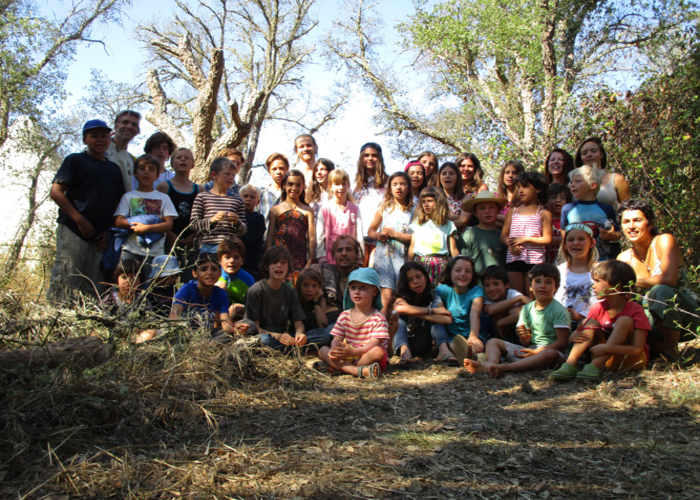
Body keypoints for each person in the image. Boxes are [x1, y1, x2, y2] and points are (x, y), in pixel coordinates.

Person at [47, 119, 126, 303]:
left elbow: (117, 203)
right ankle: (56, 321)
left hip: (99, 236)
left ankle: (87, 324)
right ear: (85, 139)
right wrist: (79, 219)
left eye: (104, 136)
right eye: (94, 136)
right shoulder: (75, 160)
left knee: (92, 282)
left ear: (110, 139)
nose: (100, 140)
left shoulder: (113, 169)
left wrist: (108, 231)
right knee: (67, 276)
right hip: (74, 230)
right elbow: (56, 191)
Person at [617, 199, 700, 362]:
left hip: (687, 315)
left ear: (650, 223)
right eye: (626, 221)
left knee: (660, 291)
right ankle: (654, 348)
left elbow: (669, 279)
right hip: (651, 320)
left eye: (637, 220)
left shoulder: (664, 241)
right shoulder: (624, 258)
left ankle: (671, 351)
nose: (631, 226)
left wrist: (632, 281)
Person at [551, 260, 651, 382]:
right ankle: (571, 363)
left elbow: (637, 350)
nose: (593, 286)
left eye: (598, 281)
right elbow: (584, 334)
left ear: (617, 286)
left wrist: (608, 348)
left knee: (624, 321)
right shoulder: (598, 307)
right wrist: (573, 337)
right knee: (590, 322)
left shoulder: (635, 310)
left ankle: (595, 366)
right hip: (604, 358)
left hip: (629, 359)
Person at [464, 263, 570, 378]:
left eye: (548, 282)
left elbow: (562, 342)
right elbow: (525, 343)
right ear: (530, 286)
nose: (542, 286)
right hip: (531, 349)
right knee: (493, 341)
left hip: (551, 352)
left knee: (550, 354)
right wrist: (524, 337)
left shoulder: (559, 310)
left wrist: (537, 352)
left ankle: (505, 367)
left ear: (556, 287)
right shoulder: (527, 309)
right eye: (538, 281)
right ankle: (491, 363)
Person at [245, 247, 329, 351]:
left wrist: (300, 334)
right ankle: (294, 351)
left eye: (283, 263)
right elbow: (254, 328)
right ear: (267, 267)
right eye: (274, 262)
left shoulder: (290, 291)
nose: (279, 265)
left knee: (323, 335)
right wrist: (277, 336)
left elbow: (299, 323)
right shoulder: (255, 291)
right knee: (264, 340)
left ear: (288, 267)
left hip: (285, 336)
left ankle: (290, 349)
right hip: (266, 335)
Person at [315, 268, 390, 378]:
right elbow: (337, 338)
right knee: (322, 350)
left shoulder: (378, 318)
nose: (357, 292)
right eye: (353, 287)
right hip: (349, 356)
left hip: (366, 356)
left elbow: (374, 343)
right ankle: (358, 371)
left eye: (363, 287)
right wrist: (335, 350)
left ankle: (340, 368)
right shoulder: (344, 316)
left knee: (377, 352)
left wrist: (354, 352)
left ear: (374, 291)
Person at [113, 154, 178, 269]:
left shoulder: (163, 198)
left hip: (154, 253)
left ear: (157, 175)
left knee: (150, 285)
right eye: (142, 169)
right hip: (131, 250)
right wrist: (136, 225)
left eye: (151, 170)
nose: (146, 172)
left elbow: (169, 224)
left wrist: (146, 228)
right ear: (135, 173)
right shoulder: (128, 196)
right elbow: (118, 221)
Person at [368, 171, 415, 316]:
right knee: (386, 296)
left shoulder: (414, 209)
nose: (399, 187)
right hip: (384, 256)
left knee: (400, 296)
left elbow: (416, 237)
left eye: (402, 184)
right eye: (395, 184)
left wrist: (396, 235)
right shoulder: (384, 207)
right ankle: (380, 329)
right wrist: (378, 235)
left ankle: (397, 332)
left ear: (408, 187)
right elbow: (371, 230)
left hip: (404, 256)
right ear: (390, 188)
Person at [171, 253, 245, 343]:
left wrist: (235, 329)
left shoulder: (221, 294)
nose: (209, 273)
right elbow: (173, 317)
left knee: (233, 334)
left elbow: (225, 323)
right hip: (185, 334)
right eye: (203, 269)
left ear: (220, 273)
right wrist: (186, 332)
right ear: (194, 273)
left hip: (207, 335)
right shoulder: (187, 289)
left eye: (214, 269)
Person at [501, 172, 552, 295]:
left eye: (525, 186)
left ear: (538, 189)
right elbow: (503, 235)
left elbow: (547, 239)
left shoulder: (544, 213)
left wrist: (525, 239)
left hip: (535, 261)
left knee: (532, 297)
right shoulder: (512, 212)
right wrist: (510, 244)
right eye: (518, 187)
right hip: (514, 259)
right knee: (516, 297)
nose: (520, 191)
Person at [393, 262, 453, 365]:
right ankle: (405, 352)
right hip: (403, 341)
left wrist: (419, 313)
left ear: (425, 277)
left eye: (418, 277)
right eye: (410, 279)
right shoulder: (401, 297)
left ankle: (443, 349)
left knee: (435, 315)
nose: (415, 282)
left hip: (423, 343)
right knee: (398, 317)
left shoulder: (433, 296)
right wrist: (431, 311)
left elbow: (447, 319)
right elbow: (398, 309)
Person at [562, 165, 621, 261]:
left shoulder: (606, 208)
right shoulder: (567, 208)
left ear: (593, 185)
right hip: (576, 261)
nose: (572, 185)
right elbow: (563, 231)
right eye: (571, 182)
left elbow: (618, 234)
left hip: (602, 261)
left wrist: (611, 235)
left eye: (578, 181)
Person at [157, 147, 202, 271]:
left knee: (189, 277)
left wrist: (194, 235)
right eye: (179, 157)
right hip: (169, 240)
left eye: (187, 158)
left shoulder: (200, 190)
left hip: (191, 242)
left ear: (192, 165)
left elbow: (204, 218)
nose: (183, 160)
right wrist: (169, 234)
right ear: (172, 164)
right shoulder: (164, 187)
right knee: (167, 276)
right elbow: (156, 215)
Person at [191, 157, 247, 254]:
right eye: (227, 174)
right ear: (214, 175)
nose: (231, 178)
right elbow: (193, 225)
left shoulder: (237, 200)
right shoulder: (202, 197)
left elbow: (244, 230)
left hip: (230, 248)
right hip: (207, 247)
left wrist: (237, 222)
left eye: (233, 175)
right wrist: (212, 220)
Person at [436, 255, 486, 365]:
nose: (463, 274)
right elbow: (440, 312)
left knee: (477, 346)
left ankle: (469, 354)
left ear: (473, 274)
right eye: (458, 270)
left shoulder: (476, 291)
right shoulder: (442, 290)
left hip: (473, 333)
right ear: (450, 273)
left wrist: (473, 336)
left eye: (468, 271)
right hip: (451, 337)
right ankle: (466, 355)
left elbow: (475, 314)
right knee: (439, 327)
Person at [267, 169, 316, 275]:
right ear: (284, 185)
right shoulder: (275, 210)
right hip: (279, 260)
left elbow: (312, 239)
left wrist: (310, 260)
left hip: (300, 261)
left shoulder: (308, 210)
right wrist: (269, 259)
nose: (294, 188)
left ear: (303, 186)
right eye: (290, 184)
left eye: (298, 185)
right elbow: (270, 237)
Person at [408, 187, 459, 286]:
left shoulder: (448, 224)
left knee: (439, 294)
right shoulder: (418, 222)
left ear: (439, 202)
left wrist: (459, 264)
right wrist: (408, 265)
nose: (426, 204)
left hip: (441, 263)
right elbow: (412, 247)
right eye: (423, 202)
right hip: (421, 262)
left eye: (430, 201)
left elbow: (453, 248)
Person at [101, 258, 157, 343]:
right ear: (116, 279)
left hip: (136, 339)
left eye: (134, 278)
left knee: (153, 332)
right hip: (113, 338)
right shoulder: (109, 300)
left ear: (140, 281)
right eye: (124, 277)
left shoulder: (143, 302)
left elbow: (150, 326)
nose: (129, 281)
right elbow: (101, 325)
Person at [313, 235, 363, 330]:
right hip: (332, 324)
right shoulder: (323, 274)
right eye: (339, 250)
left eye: (348, 250)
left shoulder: (364, 279)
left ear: (357, 254)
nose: (344, 254)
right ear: (334, 255)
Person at [553, 223, 598, 330]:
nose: (576, 243)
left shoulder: (599, 271)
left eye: (581, 239)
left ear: (592, 243)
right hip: (559, 325)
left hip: (589, 326)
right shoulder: (559, 271)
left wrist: (581, 317)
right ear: (564, 244)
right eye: (571, 240)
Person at [316, 169, 363, 265]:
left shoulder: (354, 209)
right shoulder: (325, 209)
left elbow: (359, 236)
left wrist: (359, 258)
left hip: (350, 260)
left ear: (348, 185)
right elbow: (320, 236)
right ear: (330, 187)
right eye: (337, 184)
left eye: (344, 184)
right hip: (329, 259)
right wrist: (322, 257)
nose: (341, 187)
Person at [459, 191, 508, 276]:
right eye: (482, 208)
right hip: (476, 287)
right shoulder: (468, 236)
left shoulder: (503, 236)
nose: (487, 211)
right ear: (475, 213)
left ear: (498, 211)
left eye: (491, 207)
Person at [353, 142, 388, 260]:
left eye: (374, 155)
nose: (370, 158)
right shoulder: (353, 182)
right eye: (366, 155)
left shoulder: (388, 182)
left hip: (379, 234)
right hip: (358, 233)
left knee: (374, 271)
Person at [574, 137, 630, 209]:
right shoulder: (572, 183)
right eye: (584, 153)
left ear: (602, 154)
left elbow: (628, 209)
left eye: (594, 151)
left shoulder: (617, 179)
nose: (589, 155)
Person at [481, 265, 531, 343]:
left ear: (506, 285)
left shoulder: (511, 293)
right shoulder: (486, 298)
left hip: (512, 330)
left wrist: (501, 322)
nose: (491, 289)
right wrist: (518, 298)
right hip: (493, 333)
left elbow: (533, 305)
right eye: (487, 285)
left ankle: (518, 340)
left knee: (516, 309)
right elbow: (490, 310)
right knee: (492, 314)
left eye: (496, 284)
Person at [215, 237, 255, 318]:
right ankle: (214, 327)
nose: (232, 261)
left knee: (236, 309)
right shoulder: (215, 275)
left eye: (236, 257)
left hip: (240, 315)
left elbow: (253, 306)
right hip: (217, 312)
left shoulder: (248, 281)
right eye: (227, 257)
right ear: (220, 260)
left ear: (242, 261)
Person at [295, 267, 333, 347]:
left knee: (326, 334)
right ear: (299, 285)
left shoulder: (321, 300)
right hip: (296, 334)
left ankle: (299, 346)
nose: (309, 290)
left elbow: (322, 325)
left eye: (314, 286)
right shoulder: (294, 298)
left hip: (311, 334)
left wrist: (316, 302)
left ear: (319, 288)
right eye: (305, 285)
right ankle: (296, 344)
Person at [105, 110, 141, 193]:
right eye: (125, 122)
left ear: (137, 131)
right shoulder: (100, 148)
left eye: (134, 124)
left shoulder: (133, 161)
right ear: (116, 126)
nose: (129, 126)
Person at [238, 184, 265, 281]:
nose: (248, 199)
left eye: (252, 197)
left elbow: (251, 237)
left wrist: (235, 240)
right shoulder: (234, 217)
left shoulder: (258, 218)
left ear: (257, 202)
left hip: (251, 263)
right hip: (234, 261)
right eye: (245, 196)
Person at [145, 254, 182, 318]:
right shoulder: (149, 291)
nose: (172, 280)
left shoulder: (173, 289)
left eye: (173, 277)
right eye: (168, 276)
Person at [438, 162, 469, 231]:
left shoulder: (466, 198)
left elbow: (463, 221)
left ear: (457, 177)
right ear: (439, 177)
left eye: (451, 173)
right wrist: (458, 217)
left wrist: (442, 228)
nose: (447, 176)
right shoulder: (433, 198)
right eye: (444, 174)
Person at [258, 152, 290, 221]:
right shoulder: (260, 194)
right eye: (274, 169)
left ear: (287, 169)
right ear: (269, 171)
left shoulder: (292, 193)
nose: (278, 172)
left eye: (281, 168)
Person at [546, 183, 572, 263]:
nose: (558, 200)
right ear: (546, 201)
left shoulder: (570, 221)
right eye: (553, 197)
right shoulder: (542, 220)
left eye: (563, 198)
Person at [495, 160, 525, 228]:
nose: (510, 176)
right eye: (507, 172)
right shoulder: (495, 197)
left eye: (514, 173)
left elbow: (521, 222)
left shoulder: (524, 197)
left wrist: (496, 217)